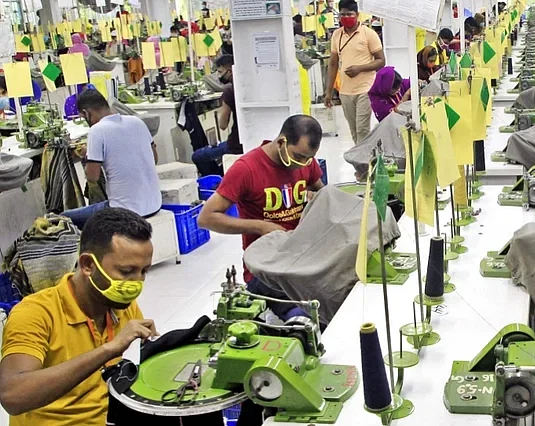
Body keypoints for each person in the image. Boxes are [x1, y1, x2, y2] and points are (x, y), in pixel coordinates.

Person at [0, 208, 158, 425]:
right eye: (126, 271)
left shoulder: (119, 303)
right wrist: (108, 350)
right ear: (88, 265)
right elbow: (13, 396)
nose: (136, 283)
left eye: (144, 271)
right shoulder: (35, 314)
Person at [197, 115, 324, 320]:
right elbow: (206, 218)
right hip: (266, 267)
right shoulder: (247, 168)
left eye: (307, 159)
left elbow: (321, 192)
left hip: (301, 256)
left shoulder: (305, 162)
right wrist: (260, 227)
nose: (302, 164)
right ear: (282, 141)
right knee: (305, 317)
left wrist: (315, 198)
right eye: (298, 157)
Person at [62, 89, 161, 228]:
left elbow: (92, 177)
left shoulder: (97, 131)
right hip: (155, 204)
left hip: (124, 211)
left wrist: (89, 156)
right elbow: (154, 158)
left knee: (63, 218)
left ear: (87, 113)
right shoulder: (137, 122)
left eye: (84, 117)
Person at [324, 0, 385, 144]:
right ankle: (364, 160)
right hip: (345, 91)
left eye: (349, 14)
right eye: (342, 14)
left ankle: (363, 164)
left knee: (362, 130)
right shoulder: (337, 35)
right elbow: (333, 64)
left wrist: (359, 68)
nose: (345, 17)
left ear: (357, 14)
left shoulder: (369, 34)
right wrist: (328, 92)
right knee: (353, 130)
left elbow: (381, 61)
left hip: (365, 88)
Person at [192, 55, 241, 176]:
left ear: (229, 71)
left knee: (198, 156)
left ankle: (216, 179)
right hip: (251, 142)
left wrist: (223, 108)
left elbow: (223, 125)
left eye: (220, 71)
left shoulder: (229, 92)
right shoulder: (246, 88)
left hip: (235, 145)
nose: (218, 75)